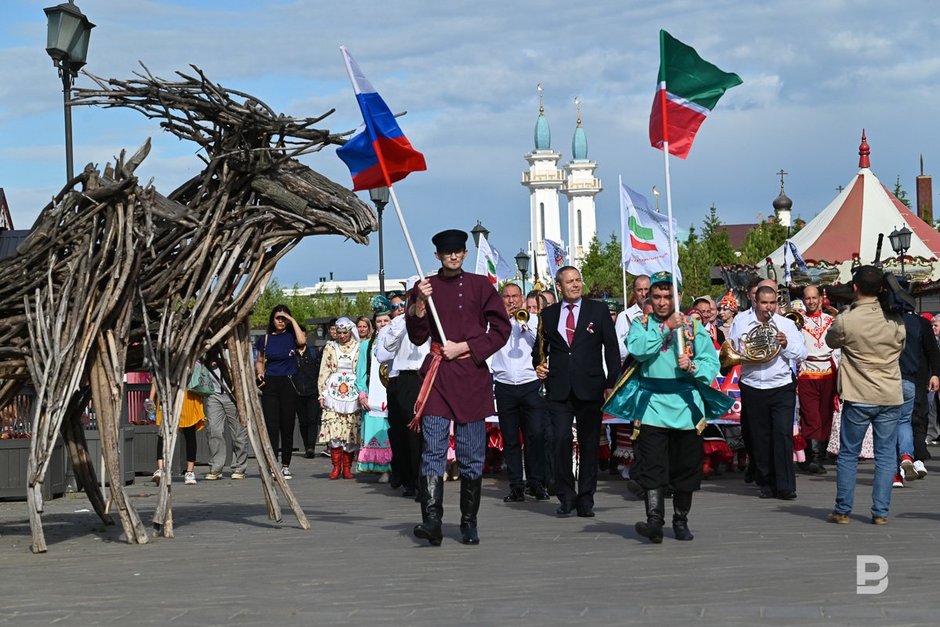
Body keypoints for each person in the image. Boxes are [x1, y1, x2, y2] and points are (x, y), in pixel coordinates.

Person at [604, 272, 731, 543]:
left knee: (686, 468)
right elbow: (638, 350)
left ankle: (681, 520)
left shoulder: (693, 329)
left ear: (679, 297)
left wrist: (694, 367)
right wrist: (666, 329)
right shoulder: (642, 324)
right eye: (657, 297)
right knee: (652, 466)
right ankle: (654, 521)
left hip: (686, 406)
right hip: (651, 406)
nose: (662, 302)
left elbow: (712, 364)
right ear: (649, 297)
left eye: (668, 297)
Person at [407, 229, 511, 546]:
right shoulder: (426, 286)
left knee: (470, 454)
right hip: (438, 377)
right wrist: (420, 305)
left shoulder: (481, 286)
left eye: (459, 251)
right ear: (438, 255)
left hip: (471, 377)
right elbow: (416, 335)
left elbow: (502, 329)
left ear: (465, 254)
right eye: (447, 252)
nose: (453, 256)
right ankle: (433, 521)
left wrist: (466, 346)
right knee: (433, 451)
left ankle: (469, 522)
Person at [535, 266, 620, 517]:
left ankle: (586, 499)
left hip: (591, 387)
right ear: (558, 286)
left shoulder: (598, 310)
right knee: (560, 440)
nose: (575, 285)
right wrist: (538, 366)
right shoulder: (548, 314)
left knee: (589, 444)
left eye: (578, 280)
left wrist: (610, 383)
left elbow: (612, 351)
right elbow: (539, 349)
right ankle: (565, 496)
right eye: (569, 282)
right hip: (559, 389)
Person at [825, 265, 905, 525]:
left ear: (855, 288)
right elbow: (901, 344)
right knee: (885, 456)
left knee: (849, 454)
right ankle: (880, 512)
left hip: (858, 393)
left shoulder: (847, 319)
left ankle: (843, 510)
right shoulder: (894, 318)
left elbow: (831, 341)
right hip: (889, 393)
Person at [728, 284, 807, 500]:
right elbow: (735, 348)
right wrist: (748, 349)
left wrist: (785, 344)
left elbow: (801, 353)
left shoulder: (786, 325)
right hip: (753, 385)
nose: (768, 307)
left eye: (772, 303)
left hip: (781, 386)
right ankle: (766, 482)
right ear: (755, 302)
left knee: (782, 434)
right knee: (759, 436)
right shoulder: (741, 322)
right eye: (764, 303)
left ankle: (785, 485)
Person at [491, 282, 548, 503]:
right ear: (501, 299)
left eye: (515, 296)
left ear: (522, 298)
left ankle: (536, 482)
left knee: (535, 435)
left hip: (530, 383)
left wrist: (525, 325)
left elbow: (543, 347)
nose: (512, 301)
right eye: (507, 297)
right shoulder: (495, 322)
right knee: (511, 439)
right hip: (505, 385)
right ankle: (516, 485)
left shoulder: (534, 320)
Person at [377, 282, 428, 497]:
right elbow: (383, 354)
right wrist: (404, 323)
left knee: (429, 432)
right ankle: (410, 479)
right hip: (406, 379)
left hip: (428, 376)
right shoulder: (395, 325)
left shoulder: (433, 320)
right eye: (413, 297)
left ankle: (425, 479)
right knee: (406, 434)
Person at [254, 305, 306, 479]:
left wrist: (292, 320)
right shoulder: (265, 339)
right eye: (278, 318)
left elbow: (302, 342)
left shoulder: (292, 336)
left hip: (289, 382)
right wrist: (260, 372)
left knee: (287, 425)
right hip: (271, 383)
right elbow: (260, 360)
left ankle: (285, 465)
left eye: (284, 318)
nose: (281, 321)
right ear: (272, 319)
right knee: (271, 426)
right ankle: (272, 463)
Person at [895, 302, 940, 485]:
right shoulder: (919, 323)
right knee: (913, 419)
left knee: (893, 423)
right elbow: (933, 351)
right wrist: (935, 374)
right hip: (915, 378)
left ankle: (906, 463)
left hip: (894, 379)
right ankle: (913, 459)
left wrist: (936, 373)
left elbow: (932, 352)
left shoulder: (886, 321)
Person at [796, 285, 839, 475]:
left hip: (828, 373)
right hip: (807, 374)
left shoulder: (831, 321)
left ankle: (818, 456)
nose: (811, 301)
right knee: (810, 415)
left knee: (825, 416)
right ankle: (811, 457)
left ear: (820, 299)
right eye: (808, 298)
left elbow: (838, 349)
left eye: (814, 298)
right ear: (804, 300)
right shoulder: (797, 322)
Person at [318, 317, 362, 480]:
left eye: (345, 332)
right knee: (335, 430)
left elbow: (362, 370)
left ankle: (347, 467)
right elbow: (324, 370)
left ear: (350, 331)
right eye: (339, 332)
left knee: (350, 429)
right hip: (334, 390)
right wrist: (322, 393)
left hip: (352, 391)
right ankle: (336, 466)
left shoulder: (359, 347)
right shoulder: (330, 347)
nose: (342, 336)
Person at [356, 298, 394, 480]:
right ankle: (382, 468)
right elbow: (361, 372)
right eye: (379, 321)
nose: (383, 324)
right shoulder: (366, 345)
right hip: (374, 395)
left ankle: (395, 467)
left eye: (386, 320)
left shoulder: (398, 341)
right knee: (376, 430)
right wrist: (362, 394)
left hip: (393, 393)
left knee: (392, 430)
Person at [150, 379, 206, 486]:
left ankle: (189, 472)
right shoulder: (162, 362)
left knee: (189, 433)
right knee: (163, 433)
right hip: (167, 396)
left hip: (187, 395)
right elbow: (156, 377)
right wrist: (151, 398)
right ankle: (161, 469)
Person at [202, 357, 249, 481]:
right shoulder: (210, 348)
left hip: (234, 393)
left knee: (238, 431)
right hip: (214, 393)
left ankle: (239, 467)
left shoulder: (235, 345)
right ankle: (216, 467)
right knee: (213, 430)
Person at [614, 275, 650, 362]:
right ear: (634, 292)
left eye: (646, 289)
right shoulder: (624, 316)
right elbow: (617, 346)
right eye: (639, 290)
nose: (643, 294)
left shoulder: (659, 314)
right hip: (633, 366)